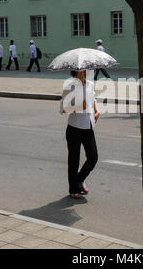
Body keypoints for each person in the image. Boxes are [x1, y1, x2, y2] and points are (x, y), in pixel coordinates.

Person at [60, 70, 101, 199]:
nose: (85, 71)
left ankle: (79, 180)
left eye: (86, 69)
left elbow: (93, 98)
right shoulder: (70, 87)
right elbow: (63, 109)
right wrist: (78, 107)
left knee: (93, 157)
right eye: (82, 69)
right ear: (75, 71)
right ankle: (73, 189)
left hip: (88, 126)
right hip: (74, 128)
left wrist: (97, 110)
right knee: (74, 160)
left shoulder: (89, 84)